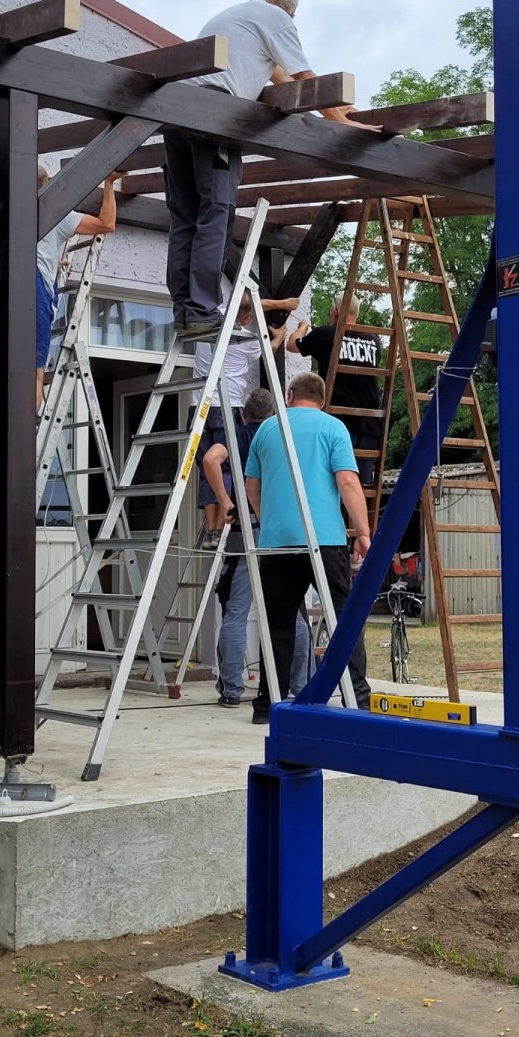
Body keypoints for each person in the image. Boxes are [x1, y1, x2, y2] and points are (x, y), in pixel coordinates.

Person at [164, 0, 381, 336]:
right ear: (291, 14)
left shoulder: (236, 17)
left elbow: (284, 80)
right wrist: (343, 124)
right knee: (216, 211)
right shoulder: (276, 18)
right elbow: (305, 78)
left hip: (175, 113)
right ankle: (202, 309)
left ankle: (185, 310)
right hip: (212, 113)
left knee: (186, 216)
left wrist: (343, 108)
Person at [245, 372, 372, 723]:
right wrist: (363, 532)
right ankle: (357, 696)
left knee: (278, 624)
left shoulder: (267, 429)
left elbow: (252, 487)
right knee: (344, 617)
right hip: (324, 538)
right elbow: (347, 481)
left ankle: (267, 705)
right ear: (322, 399)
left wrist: (269, 519)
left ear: (289, 395)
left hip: (277, 541)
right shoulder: (333, 428)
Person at [203, 388, 312, 706]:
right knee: (291, 612)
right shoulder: (282, 438)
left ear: (243, 414)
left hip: (246, 528)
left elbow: (210, 459)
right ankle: (300, 687)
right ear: (273, 415)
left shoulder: (240, 436)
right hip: (280, 530)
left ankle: (232, 691)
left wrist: (225, 501)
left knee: (236, 611)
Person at [0, 166, 119, 409]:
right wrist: (109, 183)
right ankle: (24, 432)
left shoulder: (7, 211)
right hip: (29, 287)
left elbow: (20, 255)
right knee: (34, 376)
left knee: (10, 362)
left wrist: (51, 264)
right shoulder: (54, 212)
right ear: (47, 189)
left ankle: (5, 424)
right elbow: (107, 224)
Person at [192, 289, 296, 548]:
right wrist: (279, 335)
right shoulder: (246, 341)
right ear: (248, 319)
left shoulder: (210, 322)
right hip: (225, 407)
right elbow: (269, 349)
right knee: (227, 465)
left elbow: (247, 303)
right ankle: (219, 528)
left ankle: (210, 530)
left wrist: (281, 303)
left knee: (207, 469)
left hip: (198, 407)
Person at [287, 290, 382, 486]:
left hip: (338, 424)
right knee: (359, 487)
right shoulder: (374, 340)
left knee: (331, 485)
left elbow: (292, 345)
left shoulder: (326, 334)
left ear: (336, 312)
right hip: (370, 426)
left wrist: (302, 328)